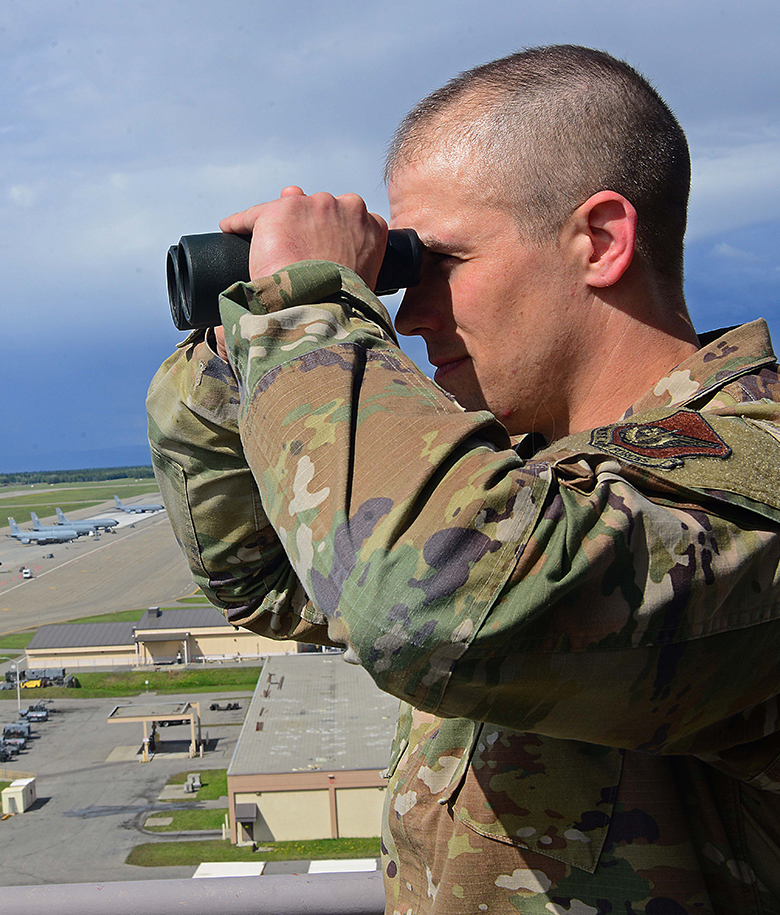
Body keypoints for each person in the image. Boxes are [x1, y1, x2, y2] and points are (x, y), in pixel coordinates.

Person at [147, 45, 780, 913]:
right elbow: (263, 578)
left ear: (599, 240)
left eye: (438, 266)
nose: (409, 315)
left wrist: (308, 308)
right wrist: (239, 354)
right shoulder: (515, 472)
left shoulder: (749, 480)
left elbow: (437, 600)